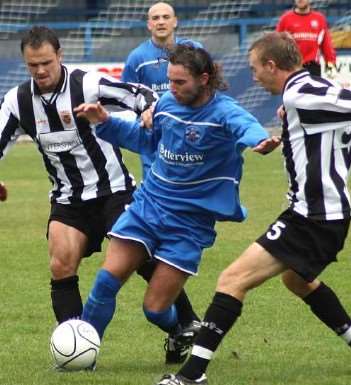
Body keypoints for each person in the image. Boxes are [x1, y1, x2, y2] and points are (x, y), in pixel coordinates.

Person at [156, 32, 351, 385]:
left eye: (254, 69)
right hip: (331, 215)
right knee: (297, 280)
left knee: (232, 279)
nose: (253, 77)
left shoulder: (302, 93)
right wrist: (290, 113)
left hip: (311, 216)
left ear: (271, 65)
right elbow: (336, 108)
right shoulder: (310, 90)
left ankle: (192, 375)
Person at [0, 25, 196, 365]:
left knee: (139, 258)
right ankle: (78, 352)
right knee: (60, 263)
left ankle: (186, 322)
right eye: (33, 65)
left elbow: (138, 94)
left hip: (114, 191)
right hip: (68, 198)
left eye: (46, 62)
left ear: (59, 56)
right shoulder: (16, 101)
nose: (41, 71)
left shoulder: (87, 84)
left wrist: (149, 110)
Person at [75, 44, 280, 367]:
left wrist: (260, 141)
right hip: (149, 206)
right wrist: (105, 121)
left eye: (179, 82)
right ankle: (84, 356)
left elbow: (247, 127)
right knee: (105, 282)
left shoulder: (224, 112)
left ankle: (180, 329)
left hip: (189, 224)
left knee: (154, 309)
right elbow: (145, 141)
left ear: (204, 78)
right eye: (169, 81)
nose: (171, 89)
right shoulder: (167, 105)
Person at [121, 2, 203, 175]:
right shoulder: (137, 58)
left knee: (191, 182)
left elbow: (207, 86)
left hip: (189, 128)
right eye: (155, 18)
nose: (160, 22)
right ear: (149, 24)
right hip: (154, 133)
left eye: (166, 17)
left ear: (175, 22)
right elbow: (126, 98)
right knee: (155, 185)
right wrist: (142, 116)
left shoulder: (193, 50)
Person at [276, 0, 337, 78]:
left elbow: (326, 45)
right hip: (292, 68)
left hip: (313, 68)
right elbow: (277, 45)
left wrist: (330, 67)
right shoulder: (285, 19)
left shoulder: (319, 19)